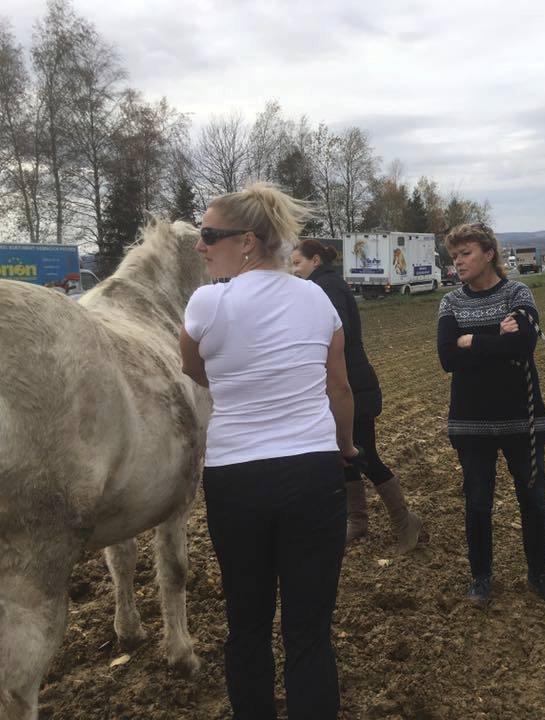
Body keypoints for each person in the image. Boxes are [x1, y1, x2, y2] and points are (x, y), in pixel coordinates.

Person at [179, 182, 358, 720]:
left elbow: (193, 369)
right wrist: (346, 448)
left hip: (236, 479)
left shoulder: (208, 302)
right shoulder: (318, 298)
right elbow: (340, 389)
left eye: (209, 235)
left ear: (249, 242)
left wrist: (240, 385)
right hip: (312, 473)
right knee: (309, 632)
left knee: (247, 624)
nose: (200, 245)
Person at [436, 222, 545, 605]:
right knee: (477, 502)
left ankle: (539, 573)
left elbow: (523, 345)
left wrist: (472, 338)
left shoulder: (517, 293)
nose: (458, 262)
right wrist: (497, 336)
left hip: (521, 420)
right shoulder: (450, 303)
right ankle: (481, 577)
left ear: (489, 254)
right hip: (470, 422)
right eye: (454, 256)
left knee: (533, 499)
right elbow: (447, 358)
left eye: (466, 254)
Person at [291, 240, 423, 553]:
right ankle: (358, 520)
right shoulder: (321, 285)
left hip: (352, 386)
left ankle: (406, 521)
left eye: (298, 263)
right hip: (337, 385)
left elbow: (341, 330)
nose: (294, 270)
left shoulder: (327, 286)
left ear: (316, 260)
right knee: (344, 456)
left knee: (364, 455)